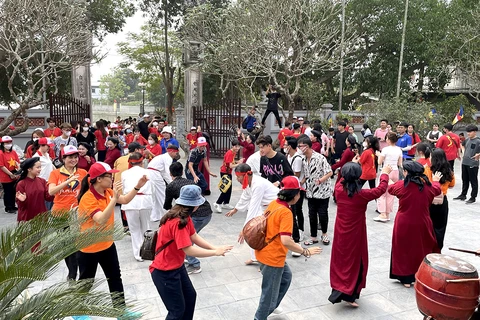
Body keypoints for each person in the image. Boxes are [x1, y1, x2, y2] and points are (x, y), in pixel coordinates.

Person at [150, 185, 233, 320]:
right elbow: (188, 249)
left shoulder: (183, 216)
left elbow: (194, 236)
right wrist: (214, 253)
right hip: (165, 272)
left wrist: (214, 248)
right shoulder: (178, 222)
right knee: (176, 311)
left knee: (190, 297)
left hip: (177, 266)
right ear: (195, 205)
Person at [77, 162, 147, 314]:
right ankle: (78, 312)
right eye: (109, 176)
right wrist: (114, 200)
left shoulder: (108, 192)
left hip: (107, 244)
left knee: (115, 277)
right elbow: (100, 219)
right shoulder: (87, 198)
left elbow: (126, 200)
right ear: (98, 179)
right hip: (89, 248)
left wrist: (137, 187)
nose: (112, 179)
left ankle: (120, 311)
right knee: (86, 282)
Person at [254, 176, 322, 320]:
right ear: (295, 194)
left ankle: (271, 306)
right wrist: (305, 251)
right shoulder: (286, 212)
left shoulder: (274, 203)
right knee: (268, 296)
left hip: (264, 252)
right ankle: (262, 314)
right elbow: (285, 240)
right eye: (299, 193)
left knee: (286, 277)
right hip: (272, 257)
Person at [329, 162, 392, 306]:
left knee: (340, 260)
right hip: (356, 232)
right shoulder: (362, 195)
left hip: (340, 230)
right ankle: (350, 293)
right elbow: (380, 189)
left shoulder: (338, 189)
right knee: (356, 261)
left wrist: (348, 168)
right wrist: (385, 174)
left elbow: (343, 179)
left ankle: (339, 288)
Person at [389, 161, 442, 287]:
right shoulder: (428, 186)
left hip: (404, 222)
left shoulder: (402, 185)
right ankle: (421, 274)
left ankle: (405, 278)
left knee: (403, 248)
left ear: (407, 172)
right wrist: (435, 180)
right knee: (421, 248)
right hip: (423, 221)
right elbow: (437, 189)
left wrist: (386, 177)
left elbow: (391, 189)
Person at [163, 163, 214, 275]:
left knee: (186, 241)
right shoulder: (190, 183)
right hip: (207, 212)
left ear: (170, 174)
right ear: (182, 172)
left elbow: (167, 205)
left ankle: (194, 264)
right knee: (189, 238)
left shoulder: (171, 186)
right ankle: (188, 258)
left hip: (197, 216)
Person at [48, 145, 88, 281]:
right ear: (63, 158)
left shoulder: (83, 172)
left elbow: (88, 191)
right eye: (70, 157)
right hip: (60, 213)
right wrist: (68, 182)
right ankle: (72, 273)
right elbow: (51, 191)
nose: (74, 159)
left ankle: (75, 274)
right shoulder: (55, 173)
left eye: (76, 157)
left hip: (77, 213)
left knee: (77, 244)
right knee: (65, 245)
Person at [225, 164, 279, 264]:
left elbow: (253, 209)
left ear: (246, 175)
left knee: (263, 232)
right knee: (255, 231)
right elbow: (245, 196)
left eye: (238, 177)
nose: (237, 179)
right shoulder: (247, 182)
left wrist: (244, 229)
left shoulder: (258, 184)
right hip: (264, 206)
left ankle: (266, 261)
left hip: (275, 207)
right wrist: (235, 209)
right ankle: (255, 258)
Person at [299, 136, 333, 246]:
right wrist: (301, 182)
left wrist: (320, 180)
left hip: (323, 191)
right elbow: (307, 174)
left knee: (322, 213)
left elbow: (330, 172)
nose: (299, 148)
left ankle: (324, 234)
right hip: (310, 191)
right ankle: (313, 236)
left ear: (307, 146)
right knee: (311, 214)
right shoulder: (303, 159)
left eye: (300, 146)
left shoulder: (319, 158)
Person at [121, 153, 155, 261]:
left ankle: (137, 254)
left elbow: (123, 188)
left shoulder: (125, 173)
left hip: (130, 201)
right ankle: (147, 251)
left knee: (134, 229)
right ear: (142, 161)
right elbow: (153, 188)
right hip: (145, 200)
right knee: (145, 227)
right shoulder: (148, 172)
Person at [424, 149, 455, 251]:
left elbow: (423, 183)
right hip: (442, 202)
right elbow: (452, 185)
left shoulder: (428, 169)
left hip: (429, 200)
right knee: (440, 227)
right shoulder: (449, 171)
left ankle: (427, 248)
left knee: (428, 226)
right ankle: (437, 249)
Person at [374, 132, 403, 222]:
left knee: (382, 193)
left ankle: (382, 214)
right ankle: (387, 214)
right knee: (391, 193)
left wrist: (379, 155)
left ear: (388, 140)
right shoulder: (399, 149)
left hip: (386, 170)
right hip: (395, 171)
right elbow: (399, 163)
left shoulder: (385, 149)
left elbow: (379, 162)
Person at [15, 157, 54, 222]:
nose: (40, 169)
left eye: (40, 167)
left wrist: (54, 191)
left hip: (42, 215)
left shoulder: (42, 181)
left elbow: (48, 198)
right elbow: (21, 206)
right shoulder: (21, 184)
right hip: (27, 217)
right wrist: (22, 201)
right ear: (29, 169)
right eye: (38, 167)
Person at [148, 144, 180, 222]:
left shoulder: (162, 156)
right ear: (172, 152)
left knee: (156, 196)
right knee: (162, 194)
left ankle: (155, 216)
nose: (176, 155)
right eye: (176, 153)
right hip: (155, 174)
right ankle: (166, 214)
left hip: (152, 173)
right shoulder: (168, 158)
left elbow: (164, 173)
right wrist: (173, 183)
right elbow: (167, 172)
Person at [284, 136, 305, 250]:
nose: (285, 147)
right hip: (290, 186)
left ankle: (300, 230)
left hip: (297, 188)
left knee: (298, 209)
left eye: (286, 145)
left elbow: (296, 174)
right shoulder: (288, 156)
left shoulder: (297, 158)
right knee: (293, 210)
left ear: (290, 147)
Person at [213, 139, 243, 213]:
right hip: (225, 172)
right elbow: (230, 165)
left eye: (238, 146)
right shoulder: (230, 153)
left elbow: (231, 162)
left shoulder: (233, 152)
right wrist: (238, 164)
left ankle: (226, 203)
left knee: (229, 189)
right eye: (236, 146)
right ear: (232, 146)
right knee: (226, 189)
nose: (237, 148)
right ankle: (218, 203)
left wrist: (237, 162)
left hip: (227, 172)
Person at [453, 124, 480, 204]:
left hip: (473, 163)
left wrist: (478, 154)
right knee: (465, 179)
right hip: (465, 162)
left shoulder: (478, 141)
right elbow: (462, 144)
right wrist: (463, 151)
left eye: (470, 132)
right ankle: (463, 194)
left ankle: (473, 197)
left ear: (475, 132)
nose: (468, 133)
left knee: (473, 181)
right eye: (467, 132)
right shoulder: (467, 139)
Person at [0, 136, 20, 213]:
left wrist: (18, 171)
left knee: (13, 191)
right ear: (2, 144)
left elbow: (17, 162)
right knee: (8, 191)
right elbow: (1, 166)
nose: (9, 144)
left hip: (14, 174)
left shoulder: (13, 152)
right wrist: (10, 174)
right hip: (5, 175)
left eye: (10, 142)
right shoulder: (1, 153)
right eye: (7, 143)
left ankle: (13, 205)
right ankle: (8, 207)